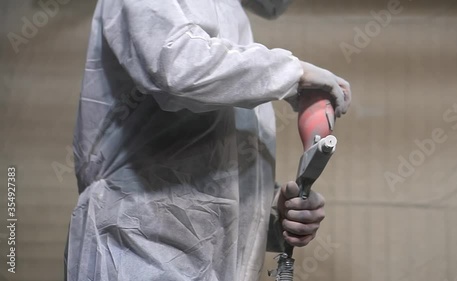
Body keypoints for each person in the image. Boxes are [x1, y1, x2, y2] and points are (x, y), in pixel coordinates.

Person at [65, 0, 352, 280]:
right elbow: (175, 67)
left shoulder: (231, 16)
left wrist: (275, 212)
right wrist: (293, 73)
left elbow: (210, 178)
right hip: (138, 250)